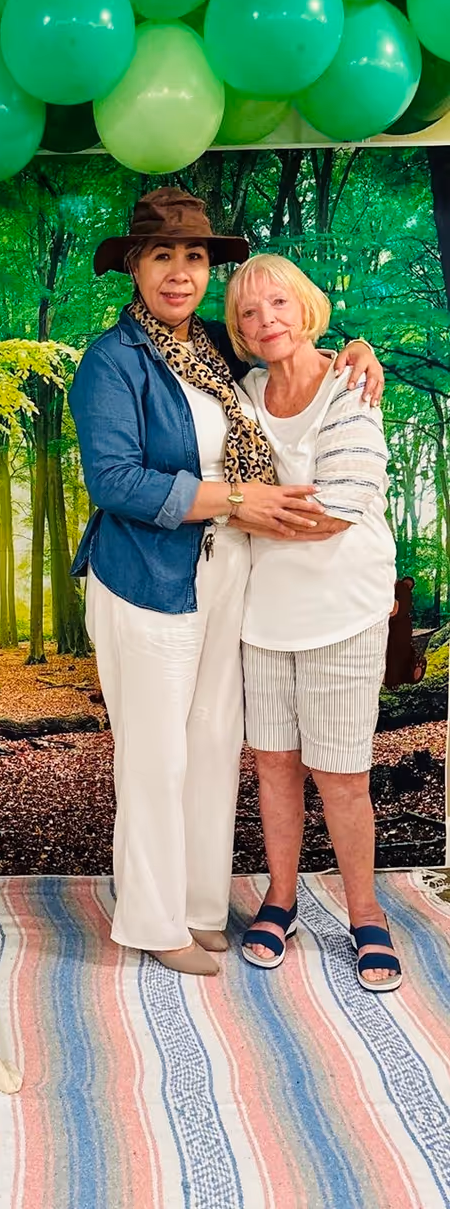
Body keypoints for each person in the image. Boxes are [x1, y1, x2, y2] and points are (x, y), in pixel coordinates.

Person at [69, 187, 383, 977]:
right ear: (134, 267)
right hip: (144, 577)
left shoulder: (215, 345)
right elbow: (115, 480)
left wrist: (359, 347)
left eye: (195, 256)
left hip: (226, 575)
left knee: (213, 744)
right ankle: (151, 917)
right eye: (162, 256)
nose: (180, 273)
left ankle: (204, 905)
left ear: (210, 267)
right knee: (155, 755)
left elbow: (291, 345)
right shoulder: (113, 361)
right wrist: (237, 499)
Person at [226, 254, 401, 993]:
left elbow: (341, 503)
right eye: (247, 312)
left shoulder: (351, 383)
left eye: (277, 304)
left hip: (342, 610)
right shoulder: (239, 394)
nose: (265, 320)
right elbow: (241, 492)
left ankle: (366, 916)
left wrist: (251, 506)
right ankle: (280, 897)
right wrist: (254, 502)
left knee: (341, 774)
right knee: (273, 766)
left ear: (306, 308)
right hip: (262, 615)